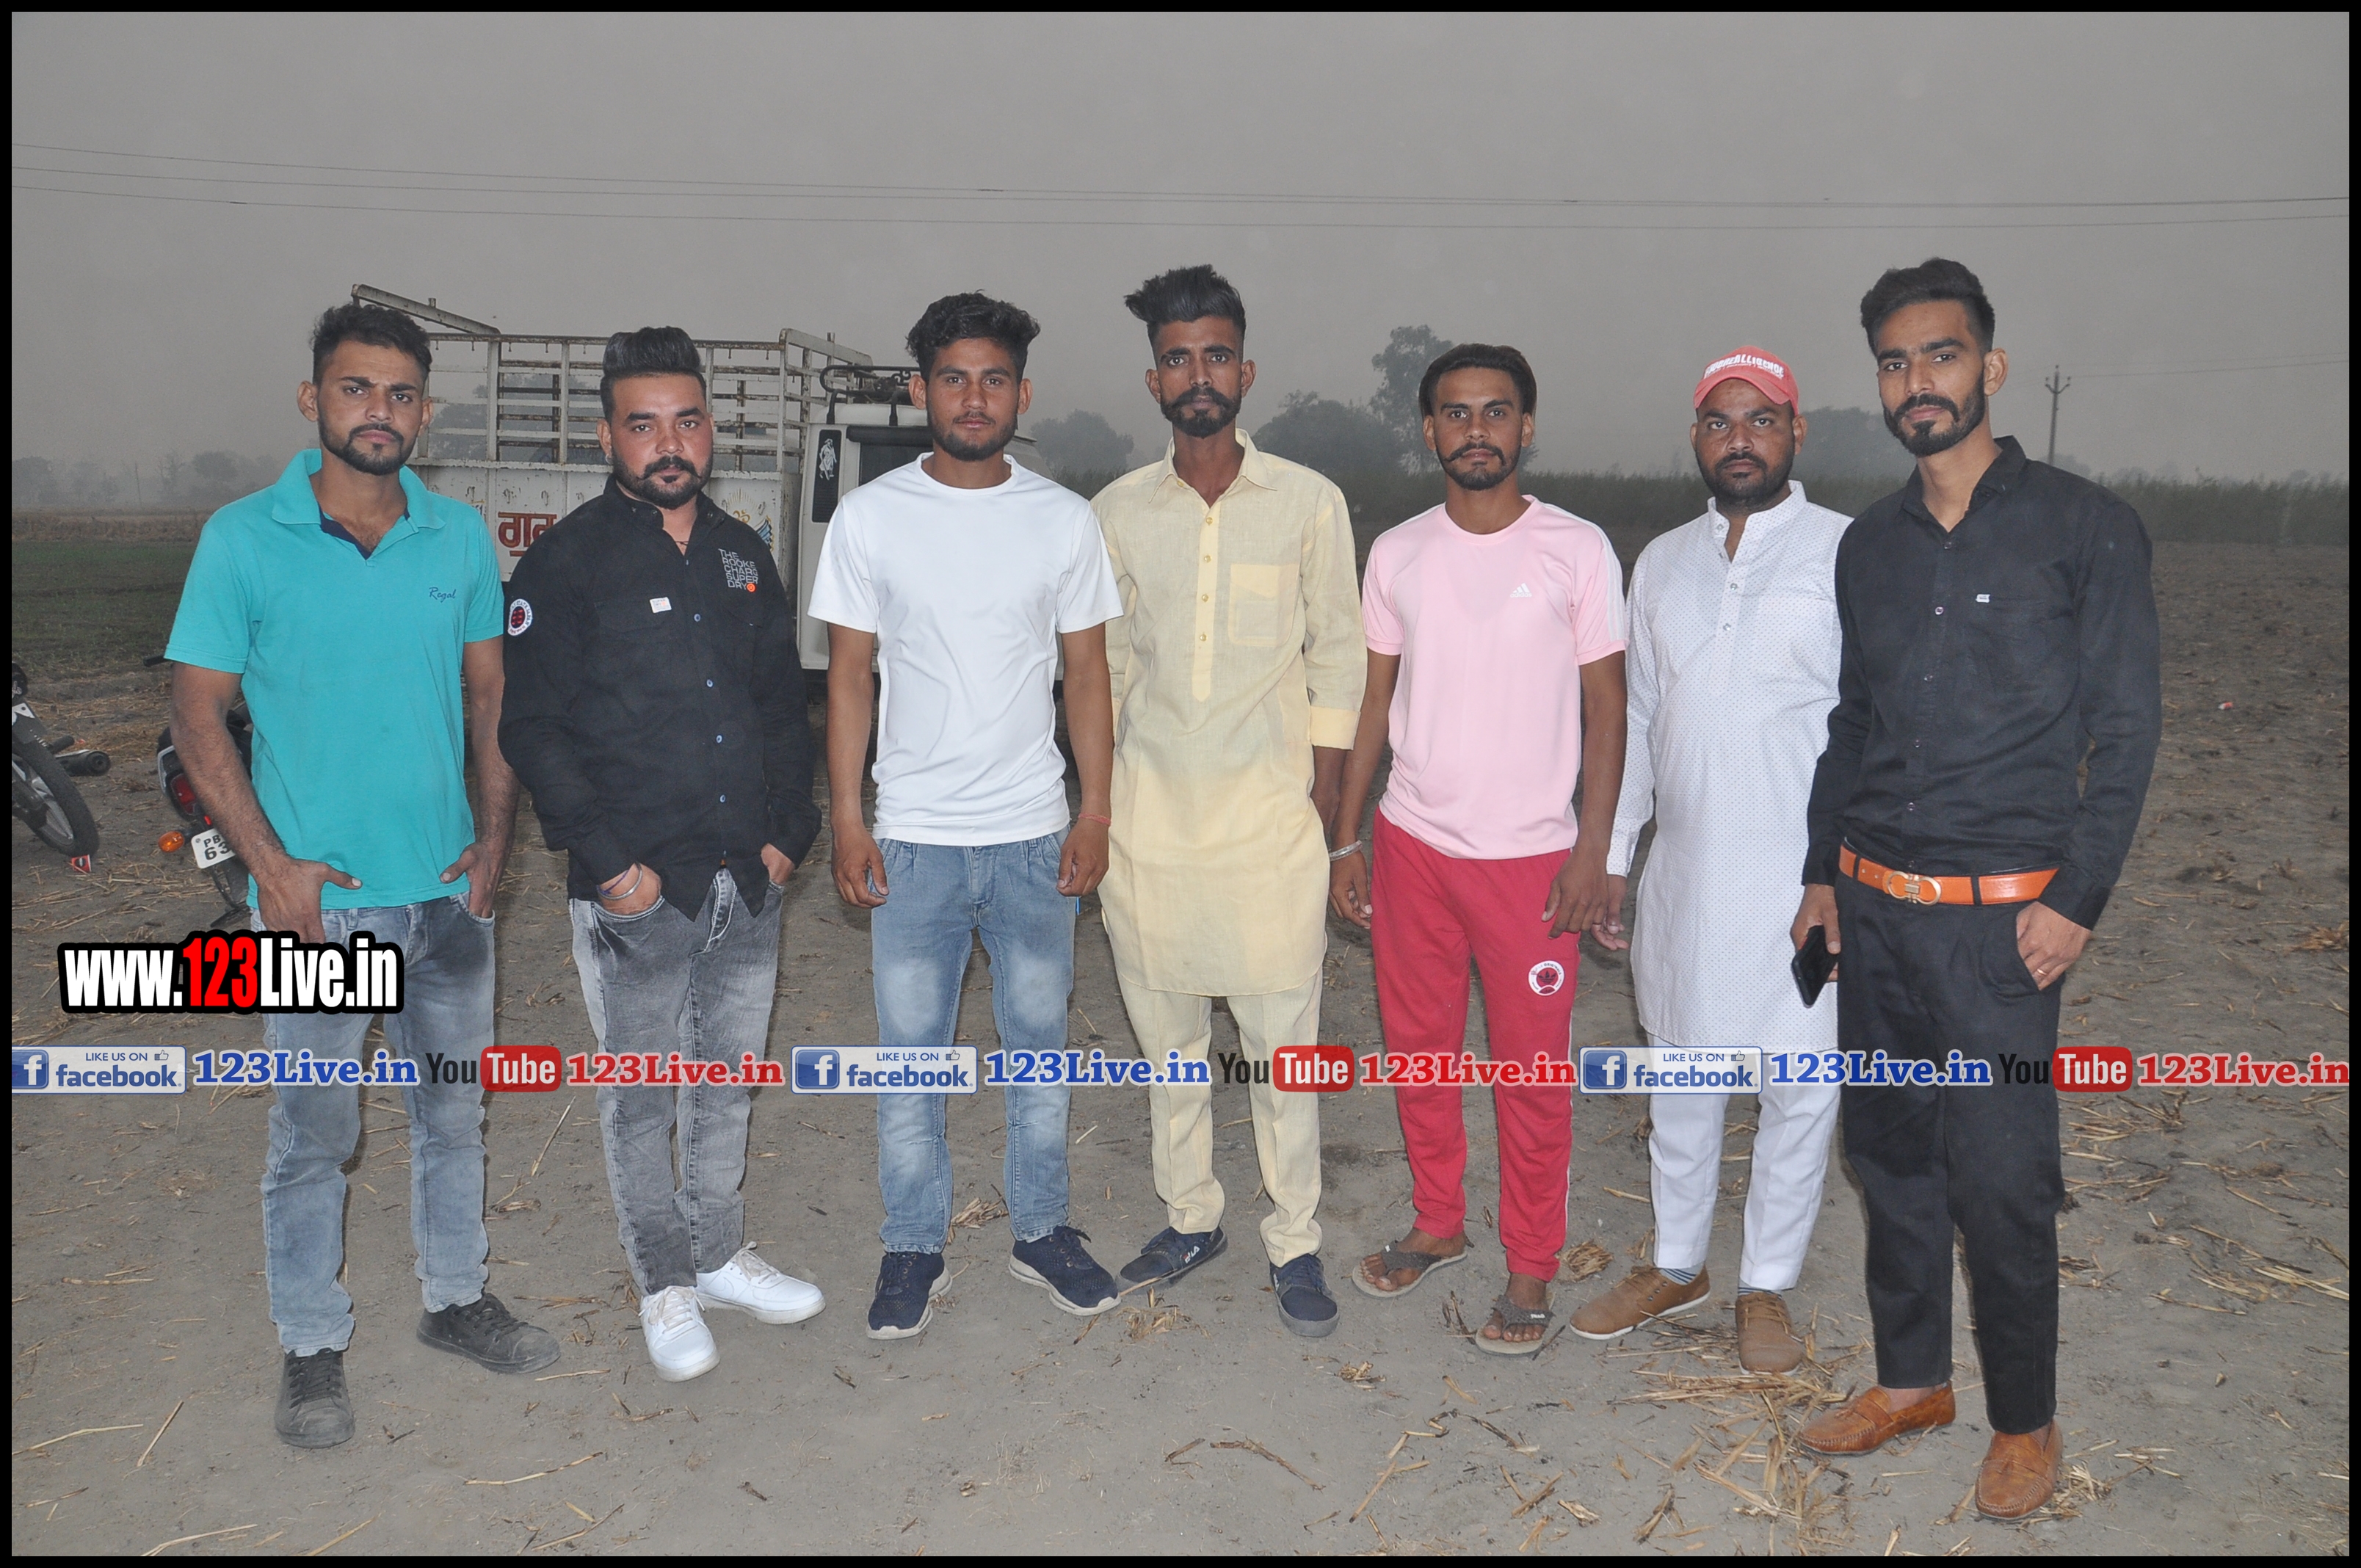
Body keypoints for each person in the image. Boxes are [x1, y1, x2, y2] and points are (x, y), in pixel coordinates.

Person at [1789, 259, 2161, 1520]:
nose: (1918, 383)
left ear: (1990, 367)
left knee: (2002, 1181)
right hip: (1875, 916)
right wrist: (1822, 877)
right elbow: (1853, 724)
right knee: (1891, 1155)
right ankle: (1911, 1384)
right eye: (1895, 363)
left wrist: (2078, 899)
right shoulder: (1870, 549)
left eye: (1940, 356)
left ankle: (2023, 1420)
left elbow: (2128, 729)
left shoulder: (2085, 528)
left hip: (2005, 932)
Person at [166, 301, 556, 1448]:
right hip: (318, 912)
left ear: (424, 412)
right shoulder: (245, 538)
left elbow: (492, 696)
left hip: (448, 900)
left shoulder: (458, 536)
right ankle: (310, 1348)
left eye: (399, 393)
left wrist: (495, 842)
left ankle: (455, 1299)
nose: (378, 411)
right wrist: (271, 870)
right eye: (355, 388)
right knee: (313, 1135)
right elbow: (196, 715)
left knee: (453, 1112)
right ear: (313, 400)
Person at [500, 327, 823, 1384]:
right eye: (643, 425)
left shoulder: (742, 555)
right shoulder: (566, 562)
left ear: (711, 430)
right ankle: (664, 1281)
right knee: (641, 1092)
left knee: (725, 1083)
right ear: (607, 437)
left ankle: (720, 1255)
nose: (667, 443)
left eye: (686, 421)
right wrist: (610, 867)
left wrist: (789, 833)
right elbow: (532, 729)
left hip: (746, 877)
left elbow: (780, 704)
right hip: (636, 890)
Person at [810, 292, 1126, 1340]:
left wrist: (1094, 812)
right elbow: (848, 676)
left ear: (1023, 394)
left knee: (1041, 1053)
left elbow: (1088, 676)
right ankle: (914, 1246)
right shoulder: (871, 518)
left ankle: (1042, 1231)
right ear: (921, 391)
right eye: (954, 378)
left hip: (1035, 837)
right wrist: (849, 820)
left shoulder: (1063, 519)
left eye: (995, 379)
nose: (975, 398)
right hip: (914, 844)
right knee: (912, 1065)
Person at [1332, 343, 1628, 1354]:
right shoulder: (1397, 553)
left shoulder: (1577, 549)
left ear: (1525, 427)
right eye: (1455, 413)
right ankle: (1438, 1222)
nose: (1475, 430)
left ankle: (1532, 1263)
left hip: (1533, 864)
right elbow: (1374, 703)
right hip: (1412, 843)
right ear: (1429, 431)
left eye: (1495, 411)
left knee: (1530, 1076)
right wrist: (1346, 838)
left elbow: (1608, 707)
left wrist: (1594, 851)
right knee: (1419, 1052)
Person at [1089, 265, 1366, 1336]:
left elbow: (1338, 661)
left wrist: (1329, 819)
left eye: (1215, 356)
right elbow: (1106, 673)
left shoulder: (1308, 502)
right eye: (1177, 359)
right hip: (1151, 831)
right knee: (1169, 1049)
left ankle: (1295, 1240)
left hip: (1269, 833)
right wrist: (1101, 809)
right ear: (1153, 380)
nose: (1197, 375)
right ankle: (1190, 1217)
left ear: (1245, 373)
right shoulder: (1117, 512)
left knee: (1283, 1055)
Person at [1573, 348, 1849, 1372]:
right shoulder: (1661, 562)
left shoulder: (1847, 552)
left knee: (1800, 1087)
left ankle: (1765, 1284)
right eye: (1720, 422)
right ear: (1696, 438)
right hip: (1687, 875)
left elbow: (1872, 724)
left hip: (1806, 878)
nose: (1741, 440)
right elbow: (1642, 719)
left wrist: (1845, 870)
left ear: (1796, 431)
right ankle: (1678, 1262)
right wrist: (1613, 853)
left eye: (1761, 419)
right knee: (1682, 1074)